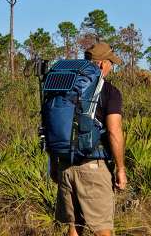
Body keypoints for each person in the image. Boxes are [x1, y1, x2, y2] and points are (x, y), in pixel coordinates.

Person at [50, 42, 127, 236]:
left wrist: (53, 163)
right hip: (93, 166)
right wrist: (121, 169)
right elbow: (114, 132)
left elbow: (52, 126)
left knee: (74, 227)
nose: (112, 66)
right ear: (101, 64)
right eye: (111, 62)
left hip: (65, 164)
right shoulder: (109, 92)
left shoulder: (63, 88)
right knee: (103, 229)